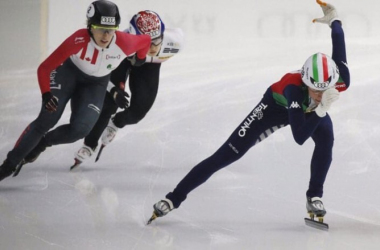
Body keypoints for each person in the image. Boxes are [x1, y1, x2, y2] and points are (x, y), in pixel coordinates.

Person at [148, 1, 350, 225]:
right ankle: (173, 198)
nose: (321, 94)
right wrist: (321, 109)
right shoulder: (293, 89)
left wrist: (334, 19)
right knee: (225, 155)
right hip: (273, 109)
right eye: (315, 89)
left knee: (326, 139)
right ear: (305, 82)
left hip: (308, 111)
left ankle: (314, 196)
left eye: (324, 89)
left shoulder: (341, 80)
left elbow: (339, 41)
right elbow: (299, 136)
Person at [0, 0, 151, 181]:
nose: (106, 35)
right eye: (100, 28)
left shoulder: (125, 43)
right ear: (89, 27)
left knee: (80, 130)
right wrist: (46, 94)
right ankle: (8, 166)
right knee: (48, 119)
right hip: (68, 74)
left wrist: (140, 59)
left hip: (95, 85)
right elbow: (45, 68)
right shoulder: (78, 39)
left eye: (110, 30)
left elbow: (146, 40)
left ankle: (42, 143)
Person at [70, 10, 184, 168]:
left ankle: (116, 123)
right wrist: (114, 90)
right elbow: (101, 76)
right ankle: (89, 144)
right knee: (110, 103)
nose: (152, 47)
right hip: (124, 60)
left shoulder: (176, 42)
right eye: (145, 42)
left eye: (157, 40)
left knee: (138, 112)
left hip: (149, 66)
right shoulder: (117, 46)